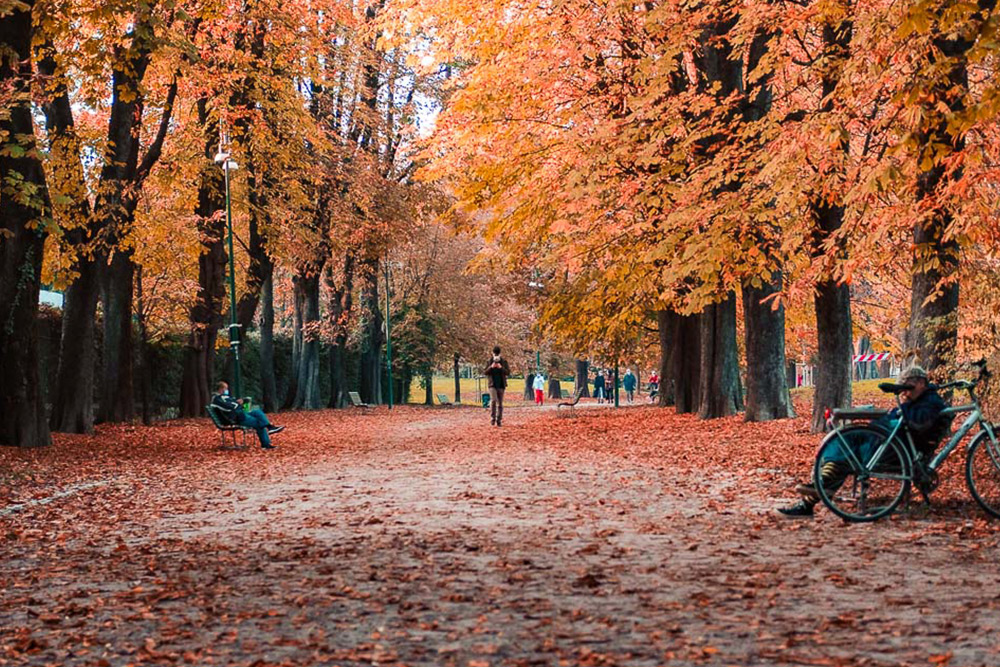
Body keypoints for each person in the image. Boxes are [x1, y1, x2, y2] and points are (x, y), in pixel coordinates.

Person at [778, 366, 946, 518]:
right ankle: (818, 489)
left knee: (846, 454)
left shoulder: (931, 402)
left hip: (893, 448)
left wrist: (897, 415)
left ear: (921, 383)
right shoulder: (915, 400)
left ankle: (815, 494)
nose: (904, 393)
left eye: (907, 388)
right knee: (843, 440)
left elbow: (918, 423)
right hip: (882, 441)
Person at [211, 381, 284, 450]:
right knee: (259, 423)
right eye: (225, 388)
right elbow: (228, 407)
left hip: (240, 414)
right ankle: (266, 443)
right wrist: (237, 404)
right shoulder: (217, 399)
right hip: (237, 417)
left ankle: (270, 427)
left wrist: (239, 402)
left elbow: (232, 403)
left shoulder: (224, 397)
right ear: (221, 389)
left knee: (257, 412)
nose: (227, 390)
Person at [484, 346, 510, 426]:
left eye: (497, 355)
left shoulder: (504, 362)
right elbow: (485, 372)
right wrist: (491, 367)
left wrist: (501, 368)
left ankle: (499, 419)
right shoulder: (489, 361)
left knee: (500, 403)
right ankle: (493, 418)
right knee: (493, 400)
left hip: (501, 385)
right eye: (495, 354)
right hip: (492, 384)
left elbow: (508, 372)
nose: (496, 357)